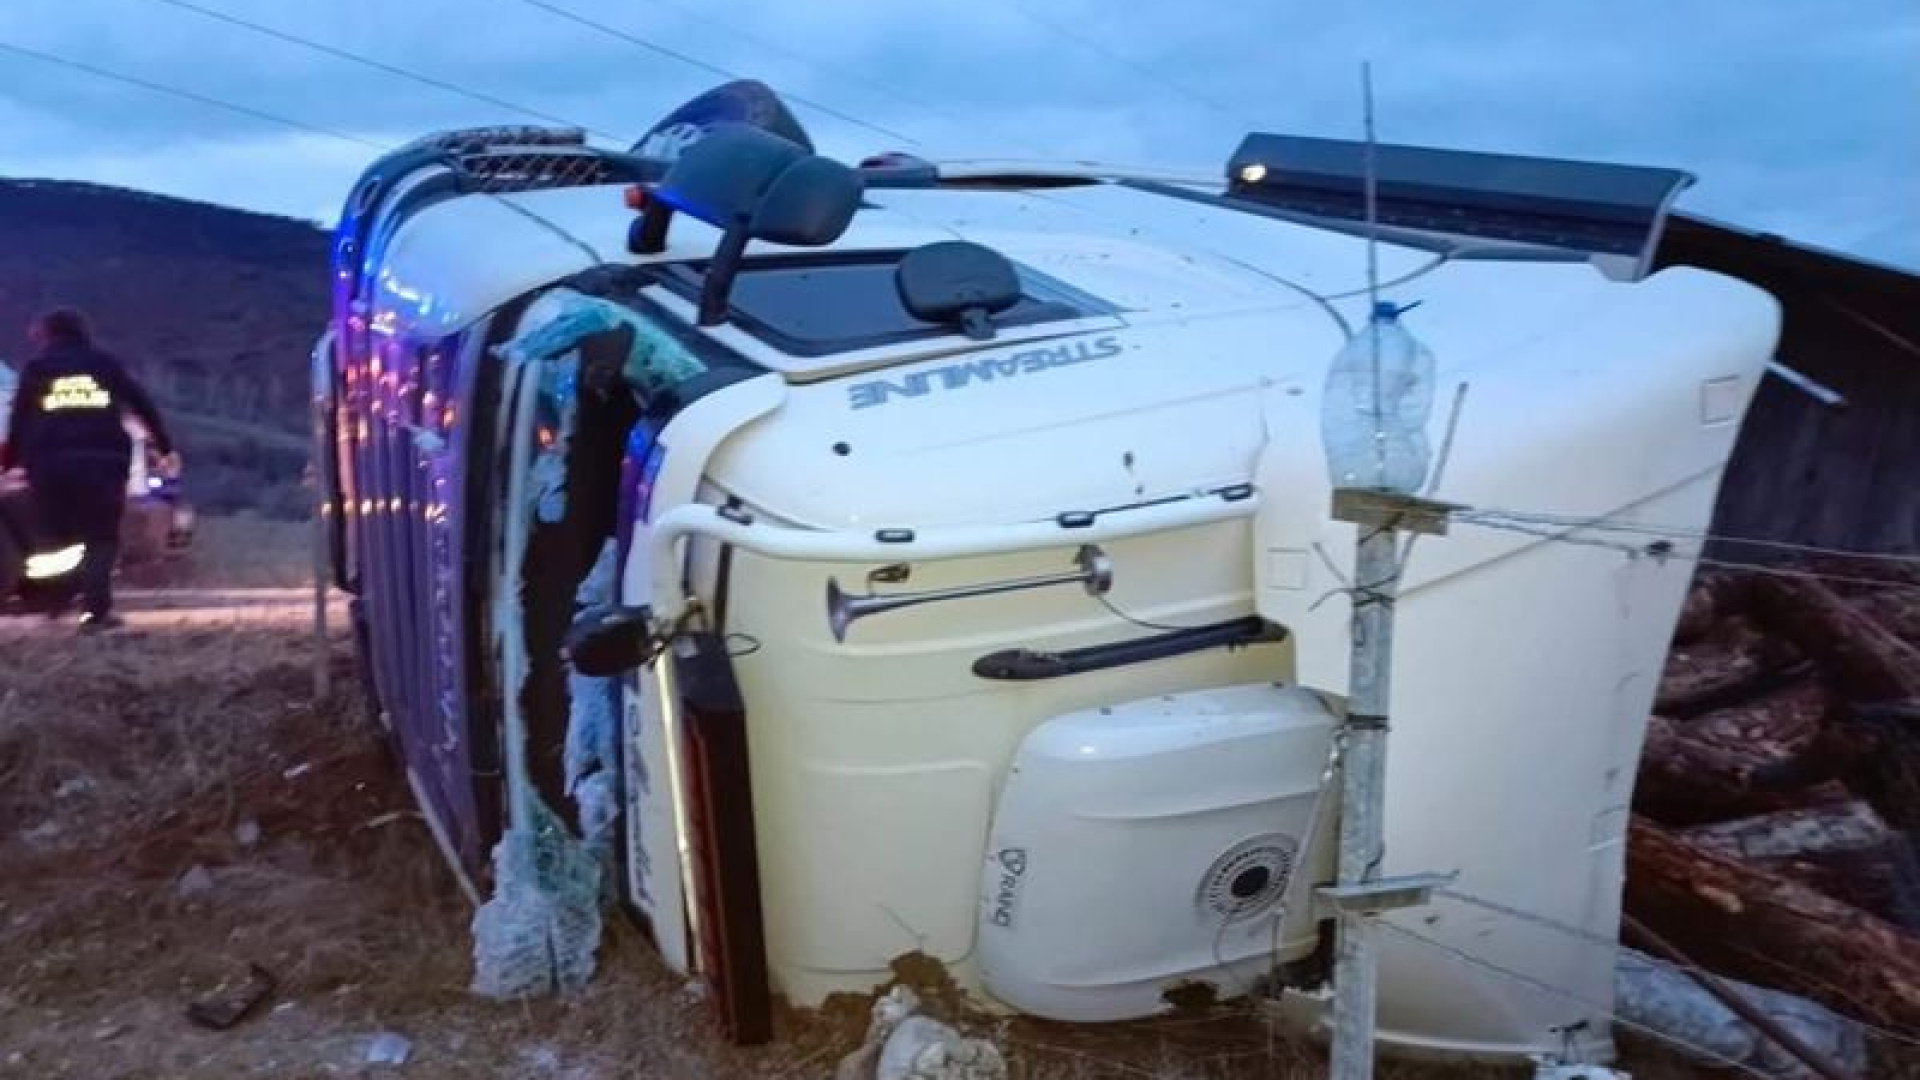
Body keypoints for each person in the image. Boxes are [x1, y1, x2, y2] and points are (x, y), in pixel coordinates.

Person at [0, 308, 178, 630]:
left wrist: (11, 463)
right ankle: (95, 612)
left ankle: (59, 598)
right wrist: (164, 447)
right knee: (100, 537)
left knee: (60, 537)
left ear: (47, 335)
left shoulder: (37, 369)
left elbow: (19, 418)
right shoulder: (104, 365)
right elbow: (141, 403)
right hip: (102, 464)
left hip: (49, 467)